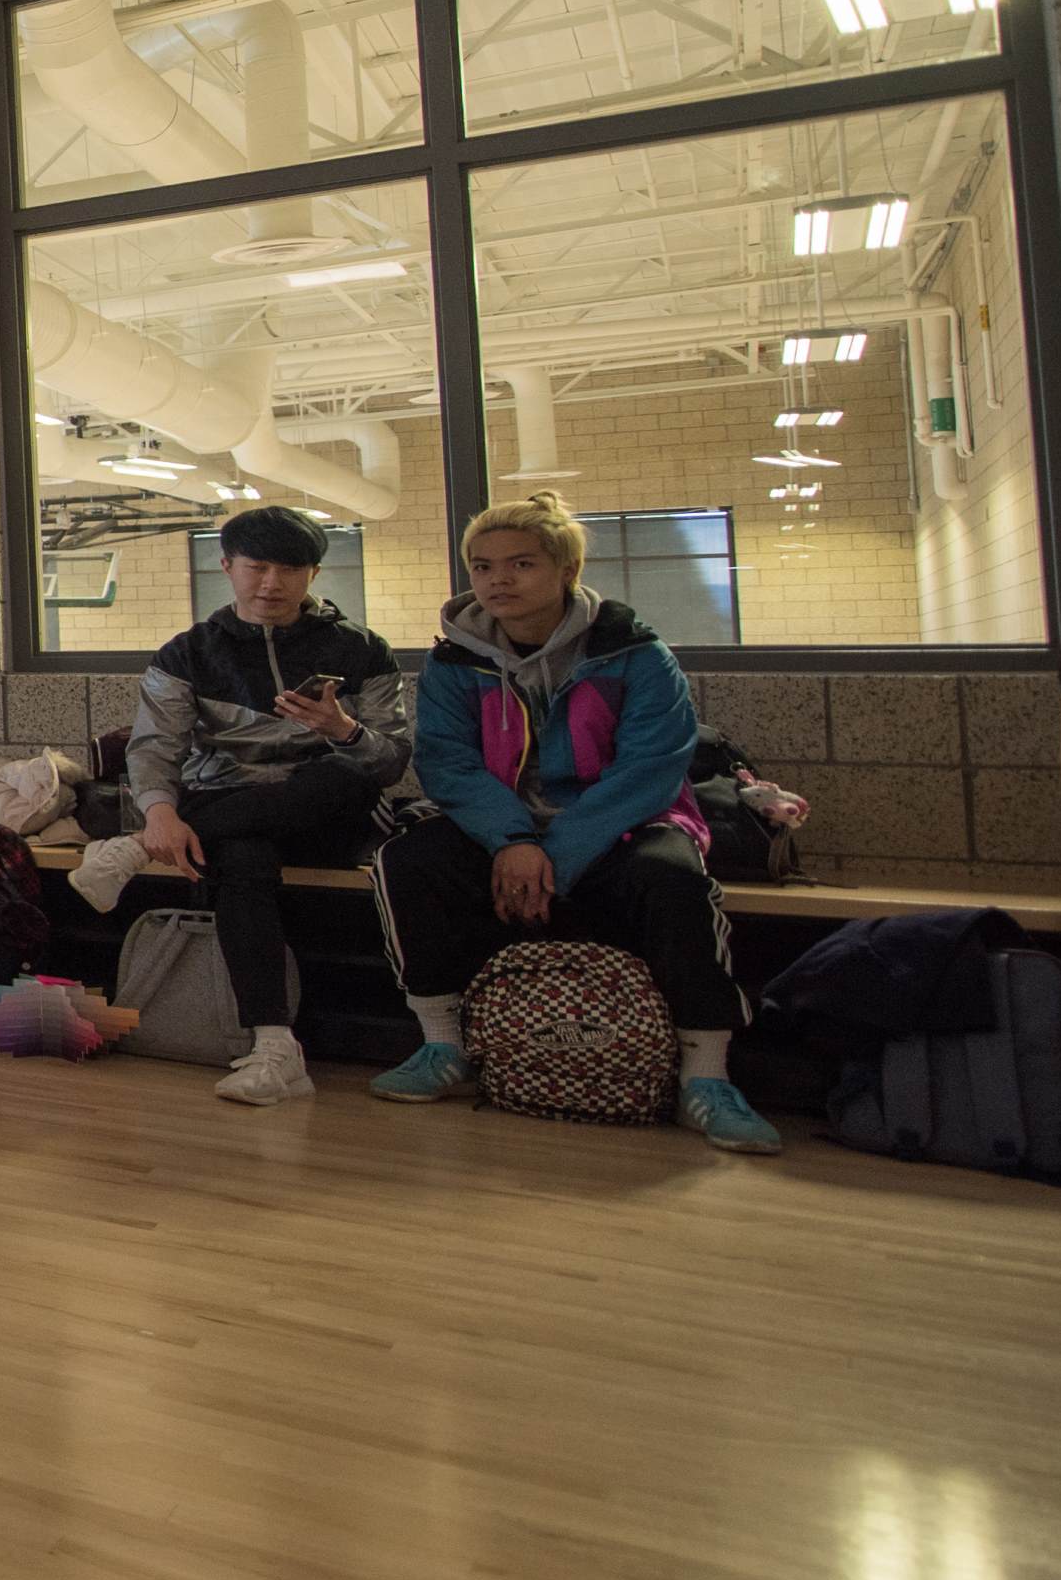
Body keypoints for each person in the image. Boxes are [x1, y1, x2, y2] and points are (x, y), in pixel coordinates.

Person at [367, 489, 773, 1154]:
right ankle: (442, 1045)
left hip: (619, 823)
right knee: (405, 861)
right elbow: (449, 765)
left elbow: (650, 768)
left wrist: (556, 851)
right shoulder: (452, 662)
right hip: (503, 829)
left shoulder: (636, 653)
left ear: (565, 572)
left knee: (674, 881)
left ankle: (707, 1075)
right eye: (482, 565)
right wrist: (515, 840)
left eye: (521, 564)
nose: (498, 579)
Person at [71, 504, 407, 1106]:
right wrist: (159, 813)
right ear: (227, 566)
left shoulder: (361, 650)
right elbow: (154, 751)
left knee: (343, 777)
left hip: (327, 813)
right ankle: (276, 1048)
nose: (271, 584)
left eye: (290, 569)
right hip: (229, 808)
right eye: (256, 567)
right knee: (243, 855)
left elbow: (390, 765)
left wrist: (344, 729)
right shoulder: (187, 655)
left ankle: (129, 850)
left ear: (313, 574)